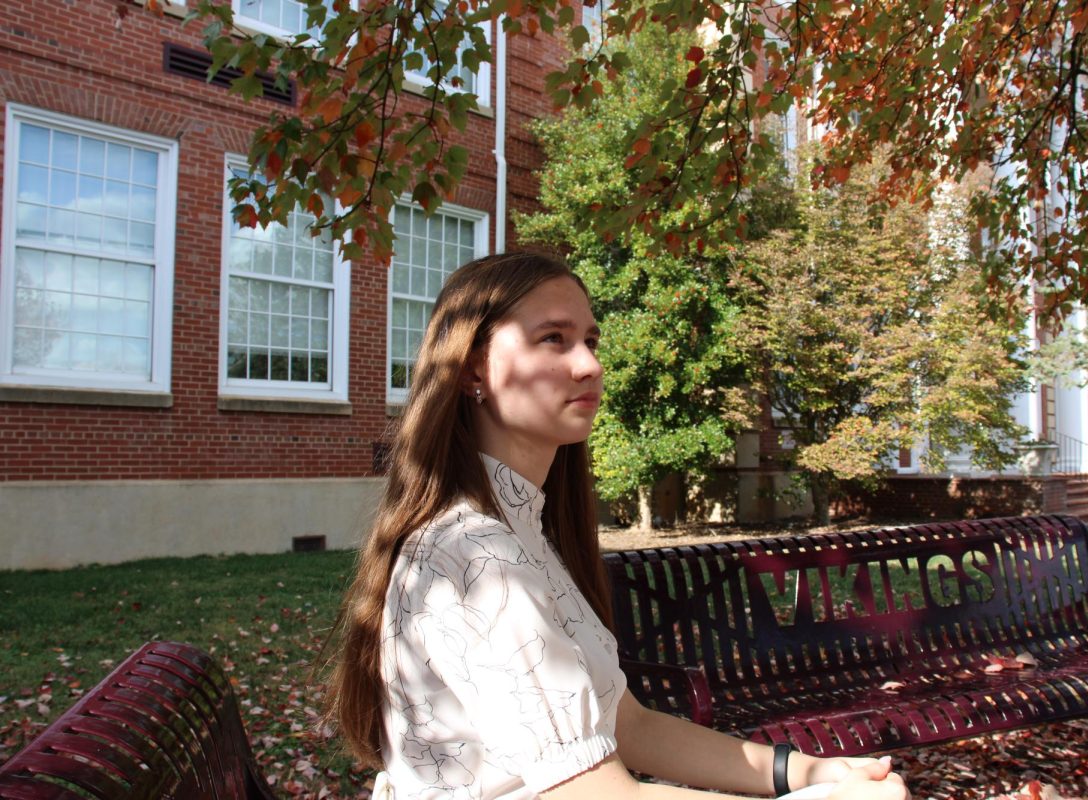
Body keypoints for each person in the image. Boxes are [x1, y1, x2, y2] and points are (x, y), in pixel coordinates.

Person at [326, 252, 910, 800]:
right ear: (472, 367)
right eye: (552, 338)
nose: (589, 364)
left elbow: (628, 725)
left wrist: (807, 773)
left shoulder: (520, 531)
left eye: (590, 340)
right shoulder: (477, 557)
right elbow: (591, 793)